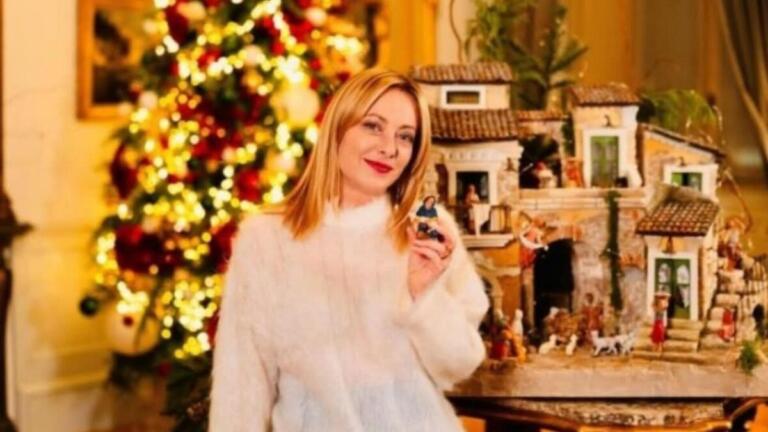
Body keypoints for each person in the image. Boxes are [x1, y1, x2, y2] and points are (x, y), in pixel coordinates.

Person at [208, 69, 489, 431]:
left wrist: (424, 297)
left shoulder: (428, 230)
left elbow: (460, 364)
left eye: (405, 136)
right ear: (338, 127)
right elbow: (240, 387)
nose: (389, 148)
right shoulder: (266, 240)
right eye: (373, 126)